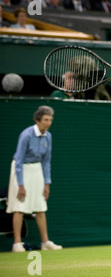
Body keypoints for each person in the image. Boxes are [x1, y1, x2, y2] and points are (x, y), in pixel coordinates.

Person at [6, 106, 62, 252]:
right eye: (45, 120)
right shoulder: (26, 135)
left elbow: (46, 161)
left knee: (40, 207)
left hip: (37, 170)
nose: (48, 123)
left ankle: (45, 242)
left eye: (50, 120)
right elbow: (18, 160)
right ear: (37, 121)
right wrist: (21, 184)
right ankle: (17, 244)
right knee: (19, 208)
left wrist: (47, 183)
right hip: (21, 169)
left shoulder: (48, 136)